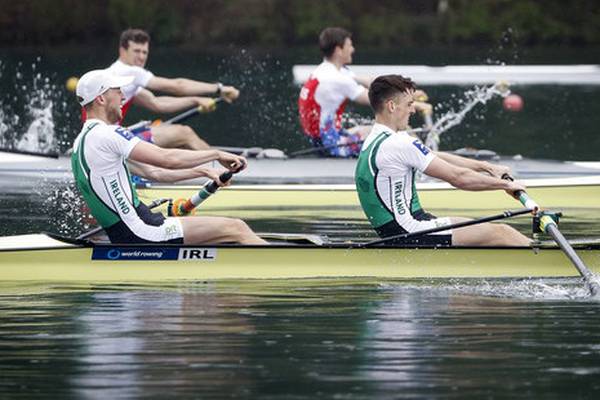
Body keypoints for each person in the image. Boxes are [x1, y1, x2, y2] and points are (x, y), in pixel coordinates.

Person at [73, 69, 266, 245]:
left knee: (225, 235)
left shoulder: (82, 141)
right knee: (236, 228)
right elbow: (167, 159)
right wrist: (216, 153)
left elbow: (155, 172)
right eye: (117, 91)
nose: (123, 96)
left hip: (134, 229)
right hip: (142, 232)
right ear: (101, 99)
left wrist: (203, 171)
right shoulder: (108, 134)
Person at [355, 74, 531, 247]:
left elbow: (435, 155)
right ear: (392, 106)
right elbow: (458, 177)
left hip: (407, 226)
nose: (413, 110)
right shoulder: (399, 143)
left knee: (490, 230)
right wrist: (507, 186)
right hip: (408, 231)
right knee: (502, 233)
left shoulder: (376, 138)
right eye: (409, 104)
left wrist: (486, 167)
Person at [298, 27, 431, 158]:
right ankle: (424, 160)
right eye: (349, 46)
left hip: (327, 137)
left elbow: (371, 82)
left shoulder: (329, 71)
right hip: (329, 145)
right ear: (339, 50)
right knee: (395, 130)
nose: (353, 49)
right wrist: (417, 105)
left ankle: (423, 157)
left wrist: (411, 93)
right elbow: (379, 99)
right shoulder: (336, 78)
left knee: (375, 130)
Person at [104, 28, 240, 150]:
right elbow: (177, 86)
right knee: (184, 133)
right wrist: (219, 89)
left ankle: (204, 169)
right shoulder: (130, 72)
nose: (141, 57)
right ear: (122, 50)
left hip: (107, 140)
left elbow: (156, 103)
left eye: (144, 52)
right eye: (136, 51)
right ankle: (223, 167)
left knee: (178, 140)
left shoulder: (118, 75)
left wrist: (196, 100)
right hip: (110, 143)